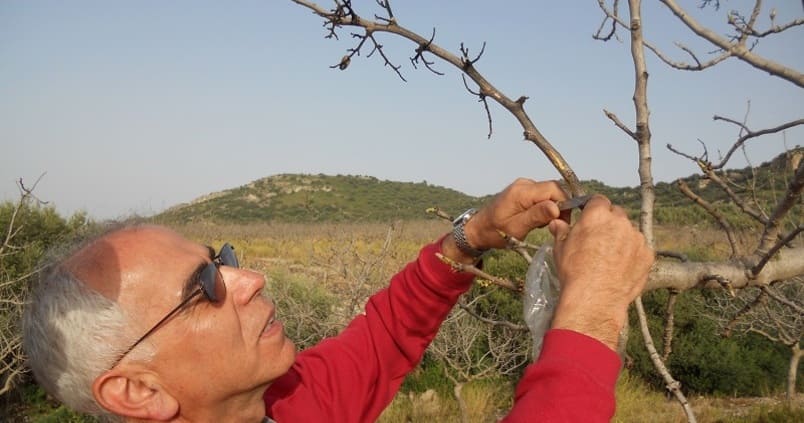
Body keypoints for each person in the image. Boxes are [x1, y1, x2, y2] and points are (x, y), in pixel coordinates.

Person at [22, 178, 653, 422]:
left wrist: (470, 238)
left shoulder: (288, 405)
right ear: (138, 391)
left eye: (222, 259)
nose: (250, 279)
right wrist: (591, 311)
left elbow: (379, 340)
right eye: (204, 287)